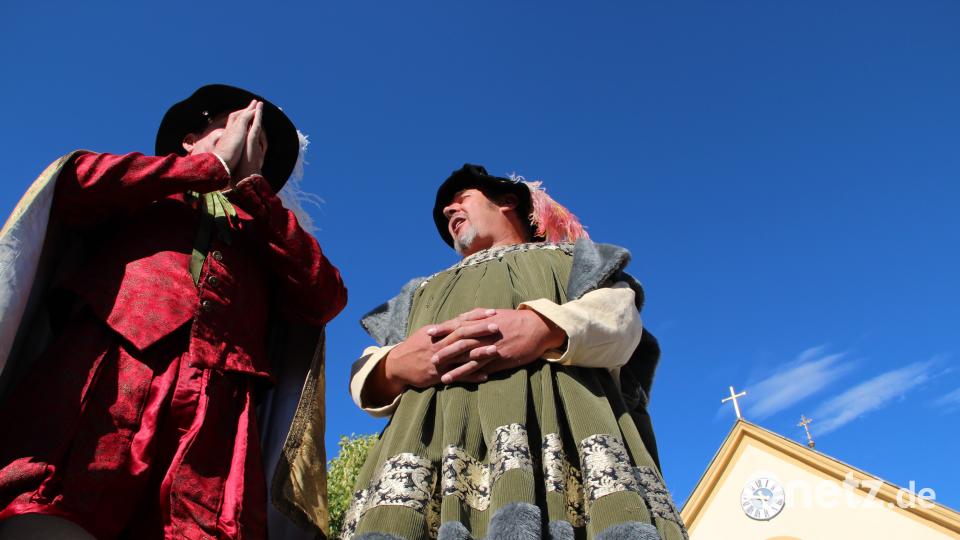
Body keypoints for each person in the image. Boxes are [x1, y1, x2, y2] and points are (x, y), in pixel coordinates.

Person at [0, 85, 347, 539]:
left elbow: (325, 296)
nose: (248, 140)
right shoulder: (143, 189)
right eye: (236, 125)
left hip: (218, 406)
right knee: (54, 511)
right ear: (190, 137)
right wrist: (207, 167)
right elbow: (75, 184)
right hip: (109, 367)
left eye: (259, 141)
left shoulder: (268, 236)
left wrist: (254, 192)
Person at [330, 164, 687, 539]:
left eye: (461, 199)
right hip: (431, 449)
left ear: (507, 201)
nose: (449, 211)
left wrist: (544, 327)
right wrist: (394, 367)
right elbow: (364, 370)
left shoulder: (571, 261)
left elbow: (622, 322)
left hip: (558, 431)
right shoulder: (418, 292)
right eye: (445, 211)